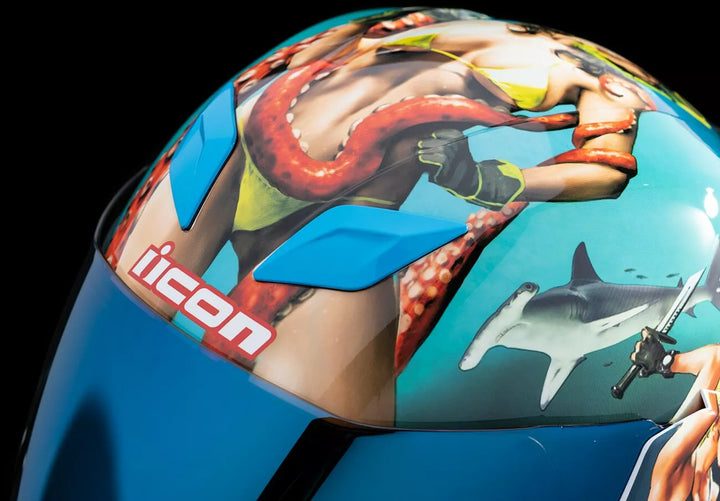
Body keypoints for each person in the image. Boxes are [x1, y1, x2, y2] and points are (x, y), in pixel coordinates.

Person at [104, 8, 659, 425]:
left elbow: (606, 170)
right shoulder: (434, 16)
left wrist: (490, 181)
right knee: (120, 339)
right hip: (241, 144)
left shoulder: (602, 80)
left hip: (358, 207)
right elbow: (320, 50)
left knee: (326, 406)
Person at [624, 329, 719, 500]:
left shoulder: (677, 468)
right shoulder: (677, 474)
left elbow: (716, 357)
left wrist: (666, 362)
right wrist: (665, 362)